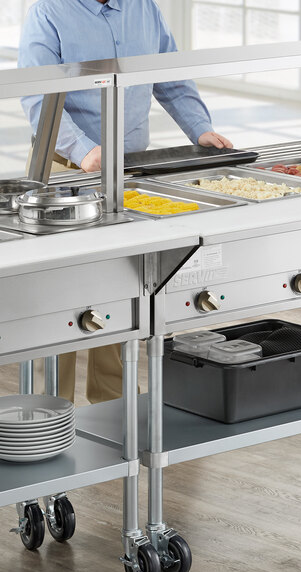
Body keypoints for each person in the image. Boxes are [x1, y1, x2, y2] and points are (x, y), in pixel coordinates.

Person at [18, 0, 233, 403]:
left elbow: (169, 75)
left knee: (120, 283)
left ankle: (116, 406)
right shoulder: (48, 10)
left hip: (130, 171)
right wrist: (84, 151)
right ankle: (51, 411)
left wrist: (200, 130)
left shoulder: (143, 7)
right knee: (63, 291)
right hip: (68, 168)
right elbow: (37, 95)